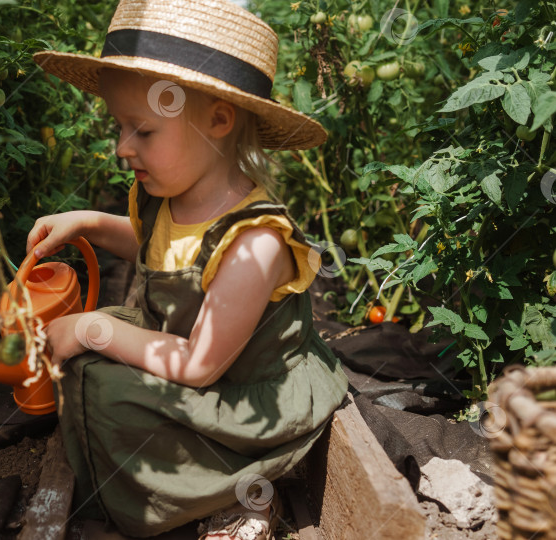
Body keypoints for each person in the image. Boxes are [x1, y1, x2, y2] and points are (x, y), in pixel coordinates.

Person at [26, 1, 348, 538]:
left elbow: (200, 367)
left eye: (143, 131)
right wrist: (86, 223)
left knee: (102, 378)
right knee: (93, 359)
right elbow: (159, 250)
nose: (122, 148)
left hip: (243, 403)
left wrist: (88, 328)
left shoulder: (255, 244)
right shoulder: (167, 197)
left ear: (219, 120)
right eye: (120, 127)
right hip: (197, 373)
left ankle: (230, 492)